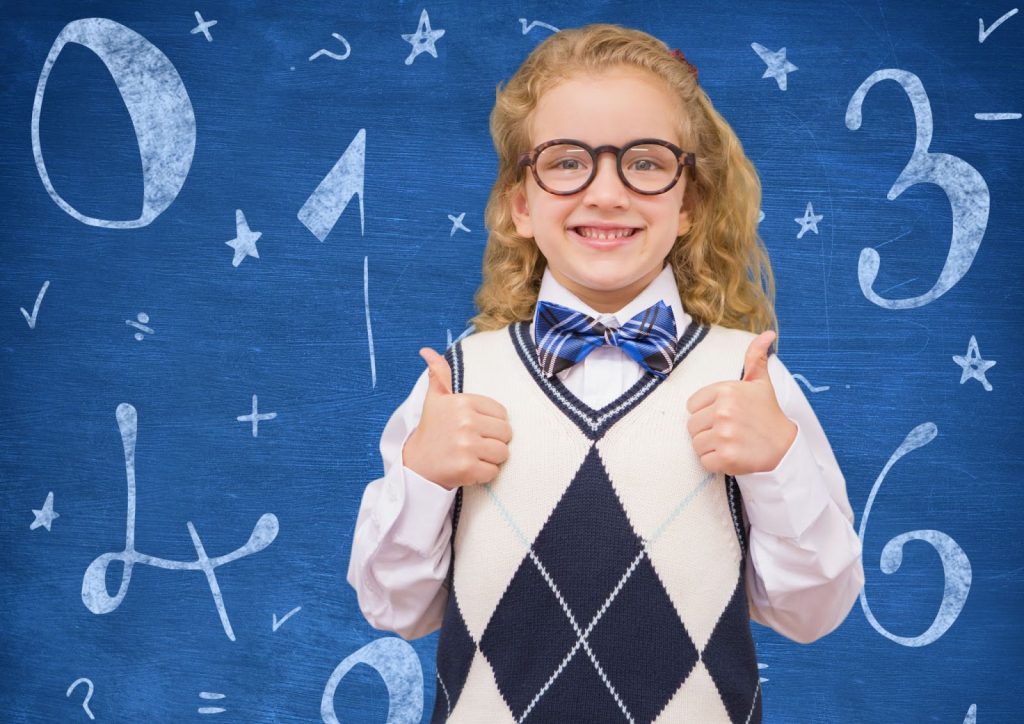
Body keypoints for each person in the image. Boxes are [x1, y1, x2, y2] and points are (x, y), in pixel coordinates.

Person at [347, 23, 864, 723]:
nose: (607, 192)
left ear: (689, 204)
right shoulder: (459, 383)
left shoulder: (749, 382)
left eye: (645, 163)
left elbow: (812, 613)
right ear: (519, 205)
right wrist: (424, 476)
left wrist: (778, 467)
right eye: (566, 163)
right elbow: (395, 609)